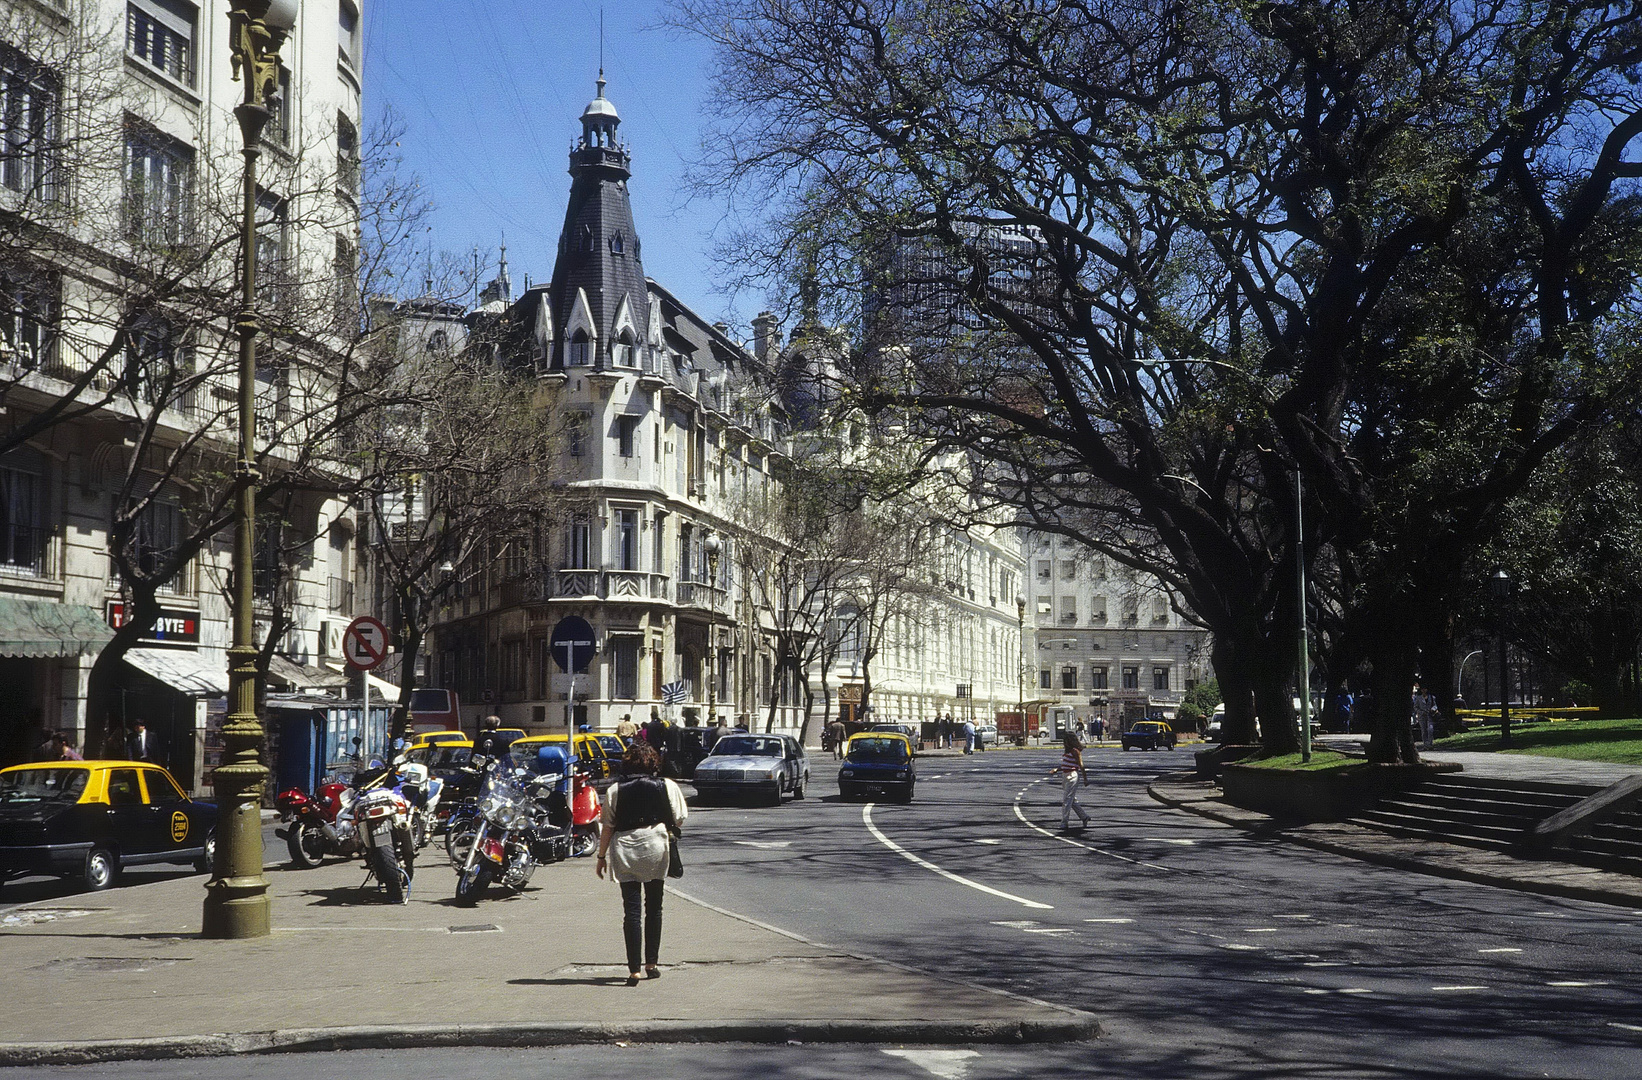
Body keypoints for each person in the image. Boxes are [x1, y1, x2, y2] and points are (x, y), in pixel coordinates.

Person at [596, 743, 687, 986]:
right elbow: (679, 817)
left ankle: (633, 969)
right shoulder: (666, 786)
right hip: (656, 845)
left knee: (632, 911)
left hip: (625, 848)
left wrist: (601, 856)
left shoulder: (616, 790)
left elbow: (608, 826)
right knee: (655, 907)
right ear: (652, 763)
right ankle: (652, 964)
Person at [1057, 733, 1091, 830]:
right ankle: (1084, 817)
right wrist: (1057, 769)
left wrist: (1085, 779)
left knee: (1067, 800)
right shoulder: (1067, 752)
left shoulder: (1075, 751)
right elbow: (1065, 765)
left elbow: (1081, 765)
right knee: (1071, 800)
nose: (1064, 743)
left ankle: (1064, 822)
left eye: (1066, 741)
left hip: (1072, 776)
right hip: (1065, 776)